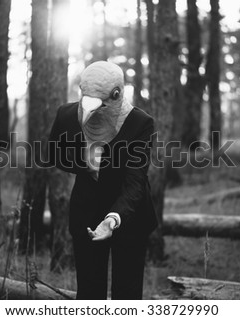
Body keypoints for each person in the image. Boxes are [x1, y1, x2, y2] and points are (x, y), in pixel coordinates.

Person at [48, 61, 158, 299]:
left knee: (127, 293)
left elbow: (135, 181)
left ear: (119, 92)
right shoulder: (66, 115)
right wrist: (86, 166)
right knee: (89, 290)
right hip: (86, 212)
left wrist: (113, 219)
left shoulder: (141, 123)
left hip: (130, 215)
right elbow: (52, 155)